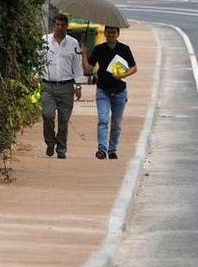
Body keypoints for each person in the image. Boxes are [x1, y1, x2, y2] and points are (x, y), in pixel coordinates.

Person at [82, 25, 137, 160]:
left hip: (119, 91)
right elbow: (88, 69)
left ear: (118, 34)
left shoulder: (124, 49)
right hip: (103, 90)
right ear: (105, 33)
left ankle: (112, 150)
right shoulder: (99, 49)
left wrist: (122, 75)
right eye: (109, 32)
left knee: (116, 123)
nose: (111, 35)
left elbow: (134, 68)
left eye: (114, 32)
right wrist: (83, 54)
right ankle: (102, 149)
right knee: (103, 120)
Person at [39, 13, 83, 159]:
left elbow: (77, 66)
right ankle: (50, 142)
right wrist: (35, 74)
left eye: (63, 25)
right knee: (48, 115)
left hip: (66, 86)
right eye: (58, 25)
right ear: (54, 25)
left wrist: (78, 85)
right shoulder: (44, 41)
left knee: (64, 119)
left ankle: (61, 148)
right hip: (47, 85)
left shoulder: (73, 43)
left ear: (67, 26)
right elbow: (36, 59)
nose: (60, 28)